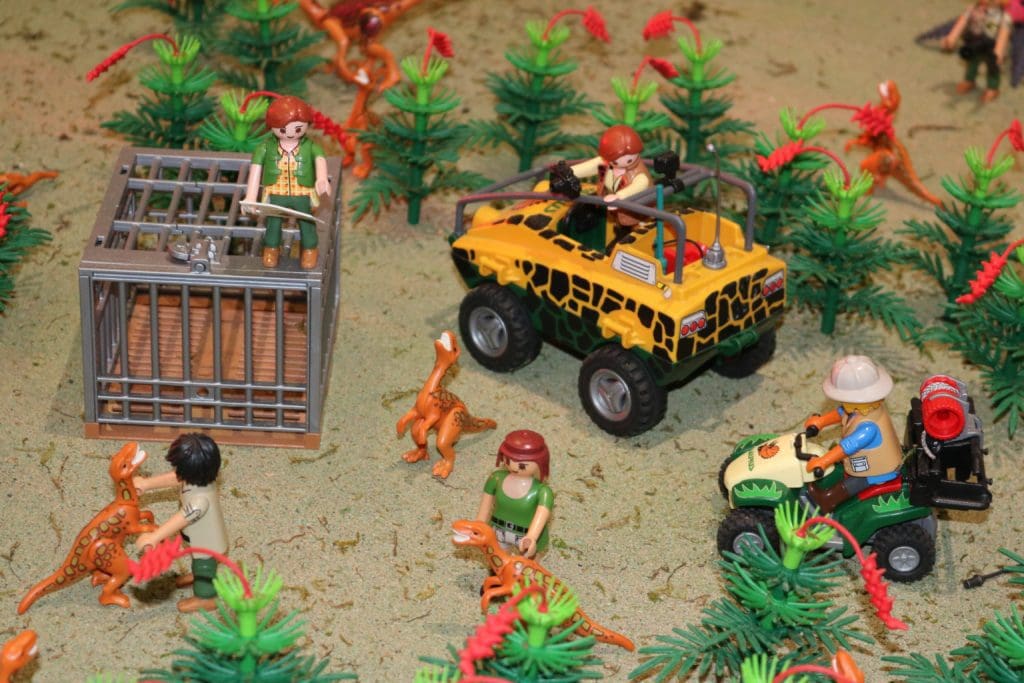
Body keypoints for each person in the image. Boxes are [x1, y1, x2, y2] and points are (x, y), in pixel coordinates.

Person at [134, 433, 227, 613]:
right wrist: (146, 484)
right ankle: (197, 576)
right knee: (198, 561)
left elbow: (181, 518)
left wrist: (155, 537)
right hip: (196, 536)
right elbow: (174, 478)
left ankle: (206, 597)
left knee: (204, 565)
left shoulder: (200, 501)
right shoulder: (196, 476)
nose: (177, 471)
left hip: (207, 543)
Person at [803, 356, 903, 513]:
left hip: (876, 470)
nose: (842, 402)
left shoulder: (868, 428)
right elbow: (840, 413)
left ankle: (826, 501)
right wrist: (821, 421)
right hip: (865, 460)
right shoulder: (863, 409)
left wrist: (824, 461)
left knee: (852, 484)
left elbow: (847, 446)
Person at [244, 96, 331, 269]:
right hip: (276, 192)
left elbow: (320, 161)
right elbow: (255, 170)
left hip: (302, 193)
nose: (290, 133)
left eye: (297, 128)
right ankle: (271, 249)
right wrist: (251, 196)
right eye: (283, 129)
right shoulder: (265, 148)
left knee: (306, 223)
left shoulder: (311, 147)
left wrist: (322, 179)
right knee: (273, 223)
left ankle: (310, 250)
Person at [476, 430, 554, 558]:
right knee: (498, 559)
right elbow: (485, 507)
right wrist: (479, 526)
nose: (513, 467)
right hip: (498, 530)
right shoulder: (496, 479)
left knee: (527, 564)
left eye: (522, 466)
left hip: (525, 535)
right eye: (507, 460)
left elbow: (541, 516)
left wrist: (531, 537)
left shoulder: (542, 492)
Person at [570, 124, 652, 231]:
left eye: (629, 159)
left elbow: (640, 184)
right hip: (611, 207)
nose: (622, 161)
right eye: (614, 160)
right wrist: (569, 172)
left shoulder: (639, 174)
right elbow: (589, 166)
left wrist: (619, 196)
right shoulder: (606, 163)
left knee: (633, 229)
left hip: (636, 214)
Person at [941, 0, 1013, 102]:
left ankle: (992, 88)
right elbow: (962, 22)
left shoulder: (1004, 17)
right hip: (974, 41)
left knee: (992, 68)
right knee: (971, 63)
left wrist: (999, 51)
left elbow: (1003, 34)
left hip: (991, 45)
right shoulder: (973, 9)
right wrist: (952, 37)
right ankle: (969, 80)